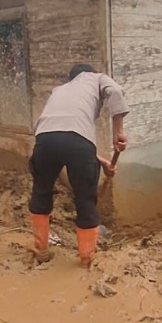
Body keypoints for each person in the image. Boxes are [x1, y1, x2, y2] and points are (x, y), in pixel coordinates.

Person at [28, 64, 128, 267]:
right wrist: (118, 131)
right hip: (78, 144)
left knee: (41, 192)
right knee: (85, 199)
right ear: (88, 73)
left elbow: (58, 134)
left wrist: (100, 161)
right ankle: (86, 258)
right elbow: (116, 91)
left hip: (45, 140)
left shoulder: (59, 90)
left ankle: (41, 251)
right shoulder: (96, 78)